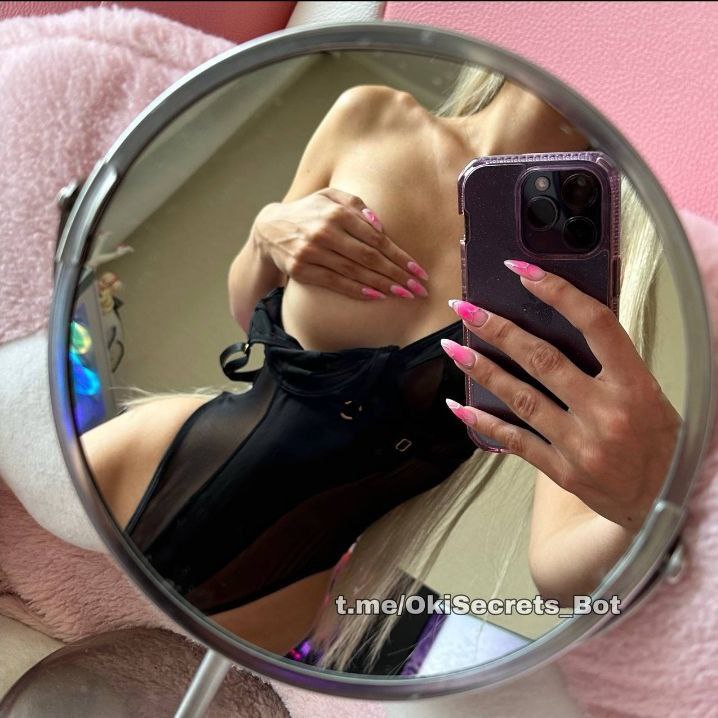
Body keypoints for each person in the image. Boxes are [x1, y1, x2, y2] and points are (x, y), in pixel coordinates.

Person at [81, 66, 680, 670]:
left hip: (275, 589)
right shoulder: (372, 117)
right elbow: (249, 313)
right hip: (149, 457)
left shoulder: (592, 296)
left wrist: (648, 502)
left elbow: (559, 578)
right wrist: (265, 233)